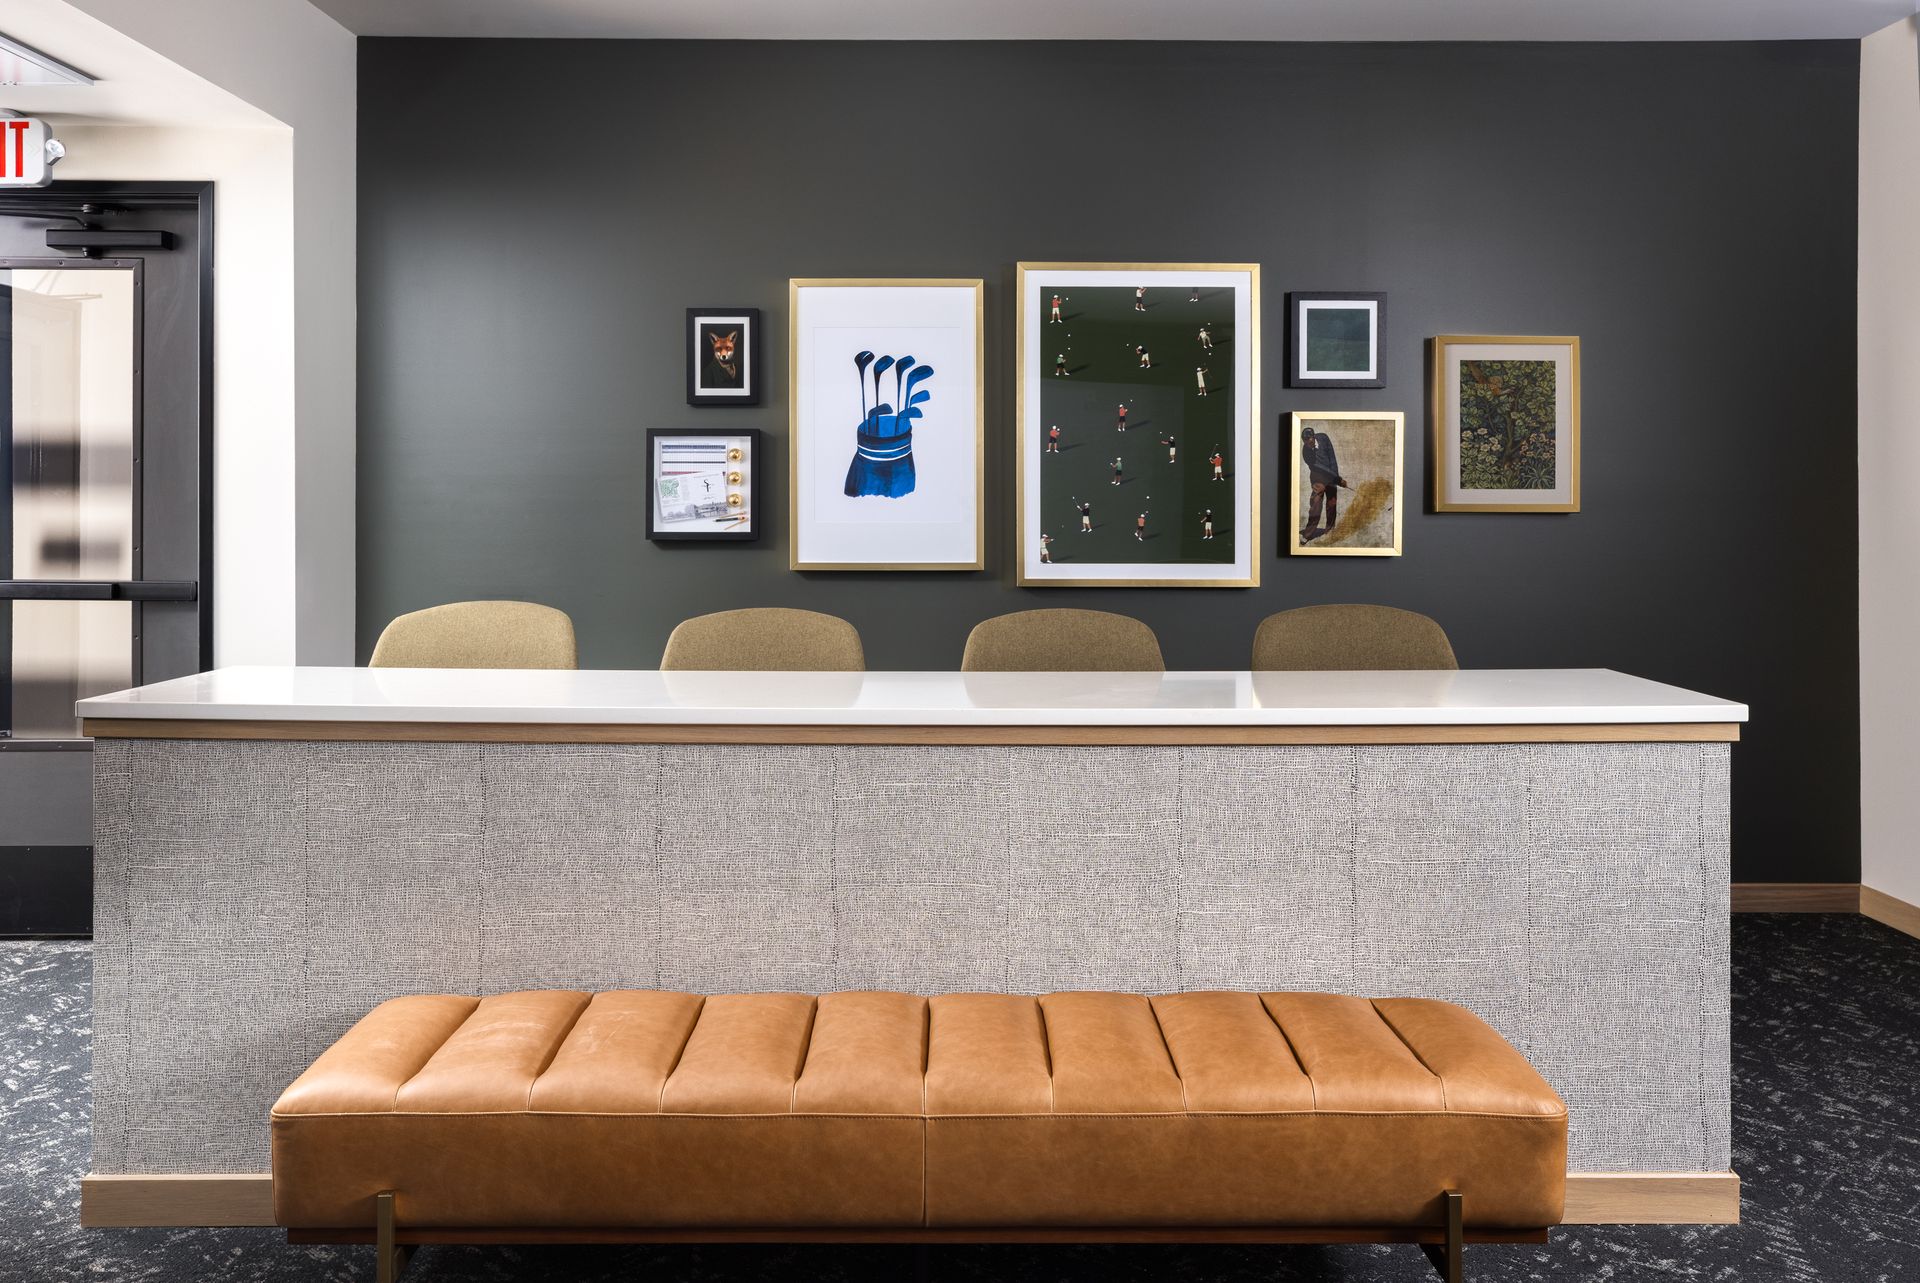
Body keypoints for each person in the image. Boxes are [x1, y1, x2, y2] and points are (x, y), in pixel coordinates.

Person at [1299, 423, 1349, 541]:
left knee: (1332, 503)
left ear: (1314, 436)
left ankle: (1330, 530)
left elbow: (1332, 458)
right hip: (1318, 478)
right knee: (1315, 504)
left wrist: (1337, 477)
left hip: (1332, 476)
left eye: (1309, 440)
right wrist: (1338, 479)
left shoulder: (1324, 438)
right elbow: (1320, 468)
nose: (1308, 443)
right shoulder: (1306, 452)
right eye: (1305, 441)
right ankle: (1308, 534)